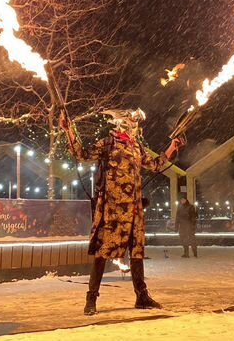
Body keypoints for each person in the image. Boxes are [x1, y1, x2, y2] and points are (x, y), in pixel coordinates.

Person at [60, 108, 184, 316]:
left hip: (134, 209)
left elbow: (155, 165)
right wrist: (68, 130)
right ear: (123, 123)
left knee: (136, 253)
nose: (136, 127)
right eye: (133, 122)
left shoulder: (137, 147)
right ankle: (91, 298)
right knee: (102, 253)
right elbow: (81, 153)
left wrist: (172, 147)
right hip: (112, 209)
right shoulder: (107, 144)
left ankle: (142, 296)